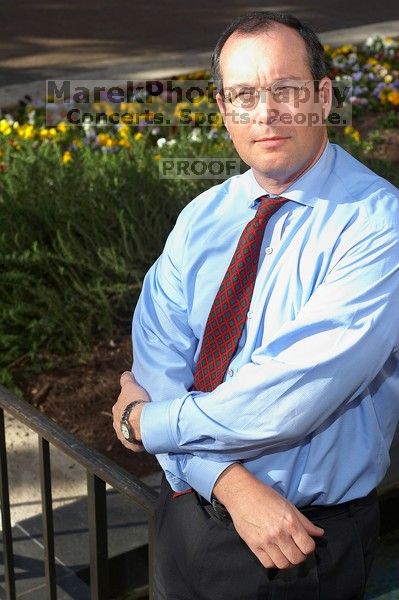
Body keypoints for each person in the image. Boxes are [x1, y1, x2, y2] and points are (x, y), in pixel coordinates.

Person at [112, 11, 399, 600]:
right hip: (186, 518)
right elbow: (158, 354)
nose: (264, 112)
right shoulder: (203, 217)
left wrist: (146, 424)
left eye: (285, 90)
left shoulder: (377, 226)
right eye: (244, 95)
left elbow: (289, 395)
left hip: (297, 544)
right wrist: (226, 481)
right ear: (223, 111)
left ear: (322, 97)